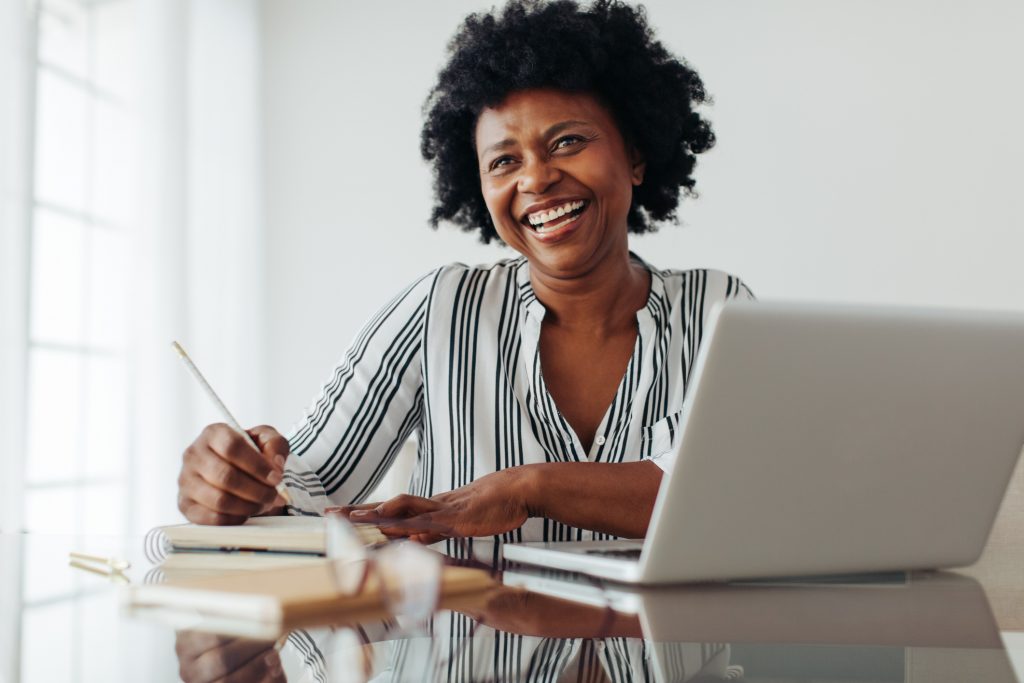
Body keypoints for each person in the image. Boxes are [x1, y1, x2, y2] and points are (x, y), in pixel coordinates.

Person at [176, 0, 754, 545]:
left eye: (568, 141)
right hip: (471, 647)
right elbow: (314, 486)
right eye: (504, 161)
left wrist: (527, 490)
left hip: (660, 647)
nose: (536, 179)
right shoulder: (440, 307)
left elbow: (731, 497)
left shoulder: (718, 309)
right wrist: (245, 486)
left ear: (634, 156)